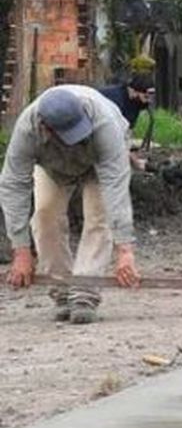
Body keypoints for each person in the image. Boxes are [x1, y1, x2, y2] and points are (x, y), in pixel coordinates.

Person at [0, 86, 143, 323]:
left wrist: (125, 250)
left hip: (98, 165)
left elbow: (115, 189)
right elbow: (13, 185)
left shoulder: (104, 124)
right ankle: (63, 291)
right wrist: (21, 250)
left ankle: (85, 292)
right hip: (53, 165)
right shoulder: (28, 129)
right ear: (46, 128)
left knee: (99, 216)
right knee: (45, 216)